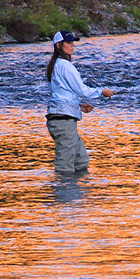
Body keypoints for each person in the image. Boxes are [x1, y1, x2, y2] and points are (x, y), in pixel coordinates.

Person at [45, 30, 114, 173]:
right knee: (65, 167)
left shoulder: (56, 65)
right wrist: (102, 91)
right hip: (64, 122)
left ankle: (77, 193)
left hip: (62, 118)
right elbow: (82, 90)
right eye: (69, 43)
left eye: (73, 43)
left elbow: (62, 94)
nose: (72, 46)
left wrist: (79, 106)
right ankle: (62, 192)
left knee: (81, 160)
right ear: (58, 45)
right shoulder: (65, 65)